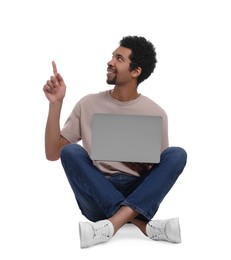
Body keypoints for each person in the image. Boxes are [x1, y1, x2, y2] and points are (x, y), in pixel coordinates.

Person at [43, 36, 187, 249]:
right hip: (96, 193)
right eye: (112, 57)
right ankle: (144, 226)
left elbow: (158, 175)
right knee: (71, 151)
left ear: (135, 71)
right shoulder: (88, 104)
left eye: (119, 58)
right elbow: (53, 153)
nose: (110, 62)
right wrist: (56, 103)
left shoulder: (156, 113)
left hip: (137, 192)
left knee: (177, 154)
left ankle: (110, 226)